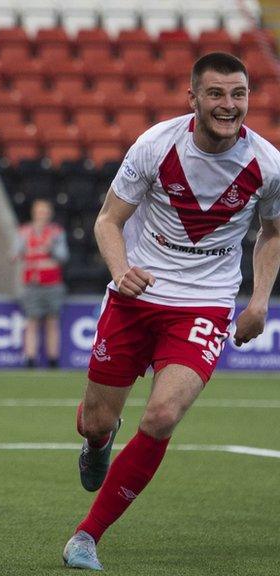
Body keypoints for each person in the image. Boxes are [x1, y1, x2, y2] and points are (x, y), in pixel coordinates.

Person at [62, 52, 280, 570]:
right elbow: (108, 222)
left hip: (204, 304)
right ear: (193, 98)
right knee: (96, 422)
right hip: (135, 298)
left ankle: (86, 536)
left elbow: (273, 233)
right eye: (216, 94)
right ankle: (99, 440)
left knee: (161, 416)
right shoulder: (156, 146)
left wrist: (258, 301)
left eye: (238, 95)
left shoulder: (267, 165)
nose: (229, 106)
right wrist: (120, 272)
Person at [14, 198, 69, 368]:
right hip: (32, 283)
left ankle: (53, 359)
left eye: (45, 212)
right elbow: (14, 253)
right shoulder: (25, 232)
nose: (42, 215)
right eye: (39, 211)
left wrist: (50, 248)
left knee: (52, 321)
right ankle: (30, 358)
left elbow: (63, 256)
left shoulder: (56, 233)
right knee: (32, 321)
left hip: (52, 283)